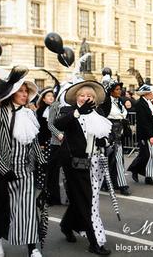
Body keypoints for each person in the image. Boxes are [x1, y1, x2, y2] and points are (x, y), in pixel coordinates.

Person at [0, 66, 45, 257]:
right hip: (4, 171)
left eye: (26, 91)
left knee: (27, 210)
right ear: (11, 93)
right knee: (3, 210)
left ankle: (32, 247)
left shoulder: (30, 113)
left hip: (26, 170)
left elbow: (34, 140)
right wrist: (4, 169)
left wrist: (42, 161)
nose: (24, 94)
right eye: (20, 90)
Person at [54, 80, 112, 255]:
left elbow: (104, 135)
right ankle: (95, 241)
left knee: (85, 198)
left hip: (96, 161)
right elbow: (58, 124)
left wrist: (104, 140)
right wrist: (78, 112)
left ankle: (67, 224)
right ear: (76, 98)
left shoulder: (99, 112)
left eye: (89, 96)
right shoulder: (68, 111)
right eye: (82, 95)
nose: (85, 98)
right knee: (88, 200)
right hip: (76, 163)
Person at [128, 84, 153, 185]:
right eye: (151, 93)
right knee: (146, 154)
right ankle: (135, 168)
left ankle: (149, 177)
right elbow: (144, 122)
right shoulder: (140, 104)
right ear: (146, 94)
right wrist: (150, 136)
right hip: (146, 133)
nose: (152, 94)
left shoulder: (149, 103)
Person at [104, 77, 131, 195]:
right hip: (111, 133)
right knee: (114, 158)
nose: (120, 91)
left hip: (119, 132)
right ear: (111, 91)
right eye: (117, 89)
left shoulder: (119, 101)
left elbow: (123, 114)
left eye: (120, 89)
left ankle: (111, 183)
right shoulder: (106, 102)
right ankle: (121, 185)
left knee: (116, 159)